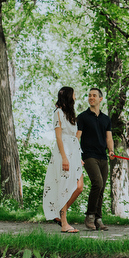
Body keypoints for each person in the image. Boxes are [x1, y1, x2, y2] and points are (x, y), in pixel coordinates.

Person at [43, 86, 84, 233]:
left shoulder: (71, 115)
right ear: (68, 95)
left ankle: (60, 212)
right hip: (63, 153)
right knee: (64, 187)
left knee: (79, 186)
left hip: (74, 152)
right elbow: (59, 137)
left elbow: (75, 138)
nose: (75, 96)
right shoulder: (58, 113)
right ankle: (64, 223)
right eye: (74, 93)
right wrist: (64, 158)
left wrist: (79, 157)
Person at [76, 88, 114, 231]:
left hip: (102, 156)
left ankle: (98, 219)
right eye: (89, 95)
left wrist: (111, 150)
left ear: (100, 99)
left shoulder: (106, 119)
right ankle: (90, 216)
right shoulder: (82, 117)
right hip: (88, 155)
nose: (91, 98)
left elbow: (108, 137)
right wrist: (76, 155)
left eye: (94, 96)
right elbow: (77, 137)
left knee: (102, 187)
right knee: (97, 183)